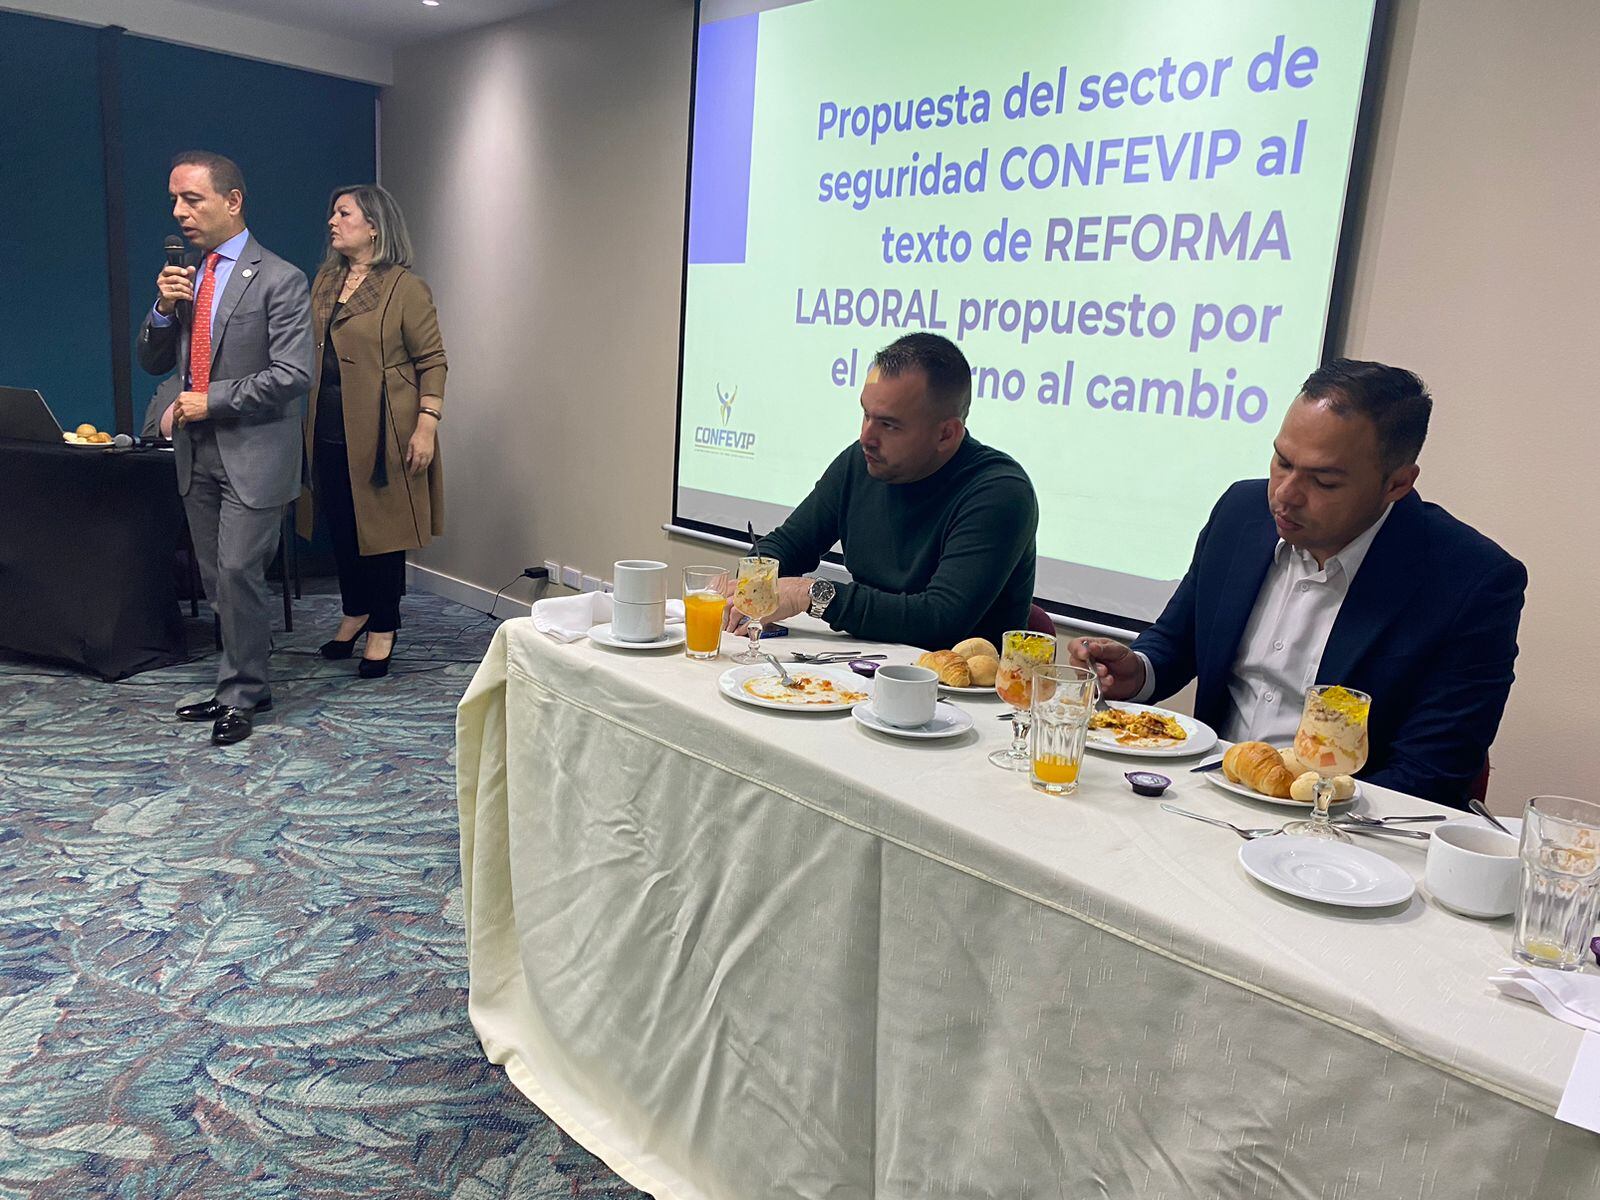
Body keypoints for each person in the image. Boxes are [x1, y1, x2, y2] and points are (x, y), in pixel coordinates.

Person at [1069, 359, 1526, 807]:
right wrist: (1140, 669)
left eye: (1324, 481)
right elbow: (1178, 639)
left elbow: (1429, 775)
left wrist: (1318, 819)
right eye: (1282, 462)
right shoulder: (1241, 513)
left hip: (1341, 833)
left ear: (1397, 484)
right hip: (1206, 794)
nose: (1285, 493)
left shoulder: (1471, 581)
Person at [138, 150, 312, 746]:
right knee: (217, 579)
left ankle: (240, 691)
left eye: (193, 199)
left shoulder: (282, 279)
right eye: (174, 200)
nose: (179, 212)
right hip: (198, 455)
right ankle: (243, 683)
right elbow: (154, 360)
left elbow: (293, 375)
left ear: (233, 201)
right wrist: (164, 309)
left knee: (239, 571)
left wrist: (209, 400)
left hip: (255, 453)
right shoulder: (188, 279)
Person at [725, 332, 1038, 650]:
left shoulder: (999, 493)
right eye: (865, 414)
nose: (866, 437)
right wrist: (748, 586)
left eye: (889, 425)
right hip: (862, 667)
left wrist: (811, 594)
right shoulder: (861, 462)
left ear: (946, 434)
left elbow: (939, 620)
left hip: (952, 691)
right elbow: (788, 545)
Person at [296, 185, 447, 677]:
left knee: (381, 530)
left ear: (375, 226)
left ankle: (384, 624)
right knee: (342, 526)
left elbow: (433, 360)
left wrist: (426, 426)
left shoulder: (405, 287)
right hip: (328, 424)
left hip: (386, 429)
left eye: (343, 213)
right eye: (331, 212)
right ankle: (355, 610)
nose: (332, 221)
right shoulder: (325, 281)